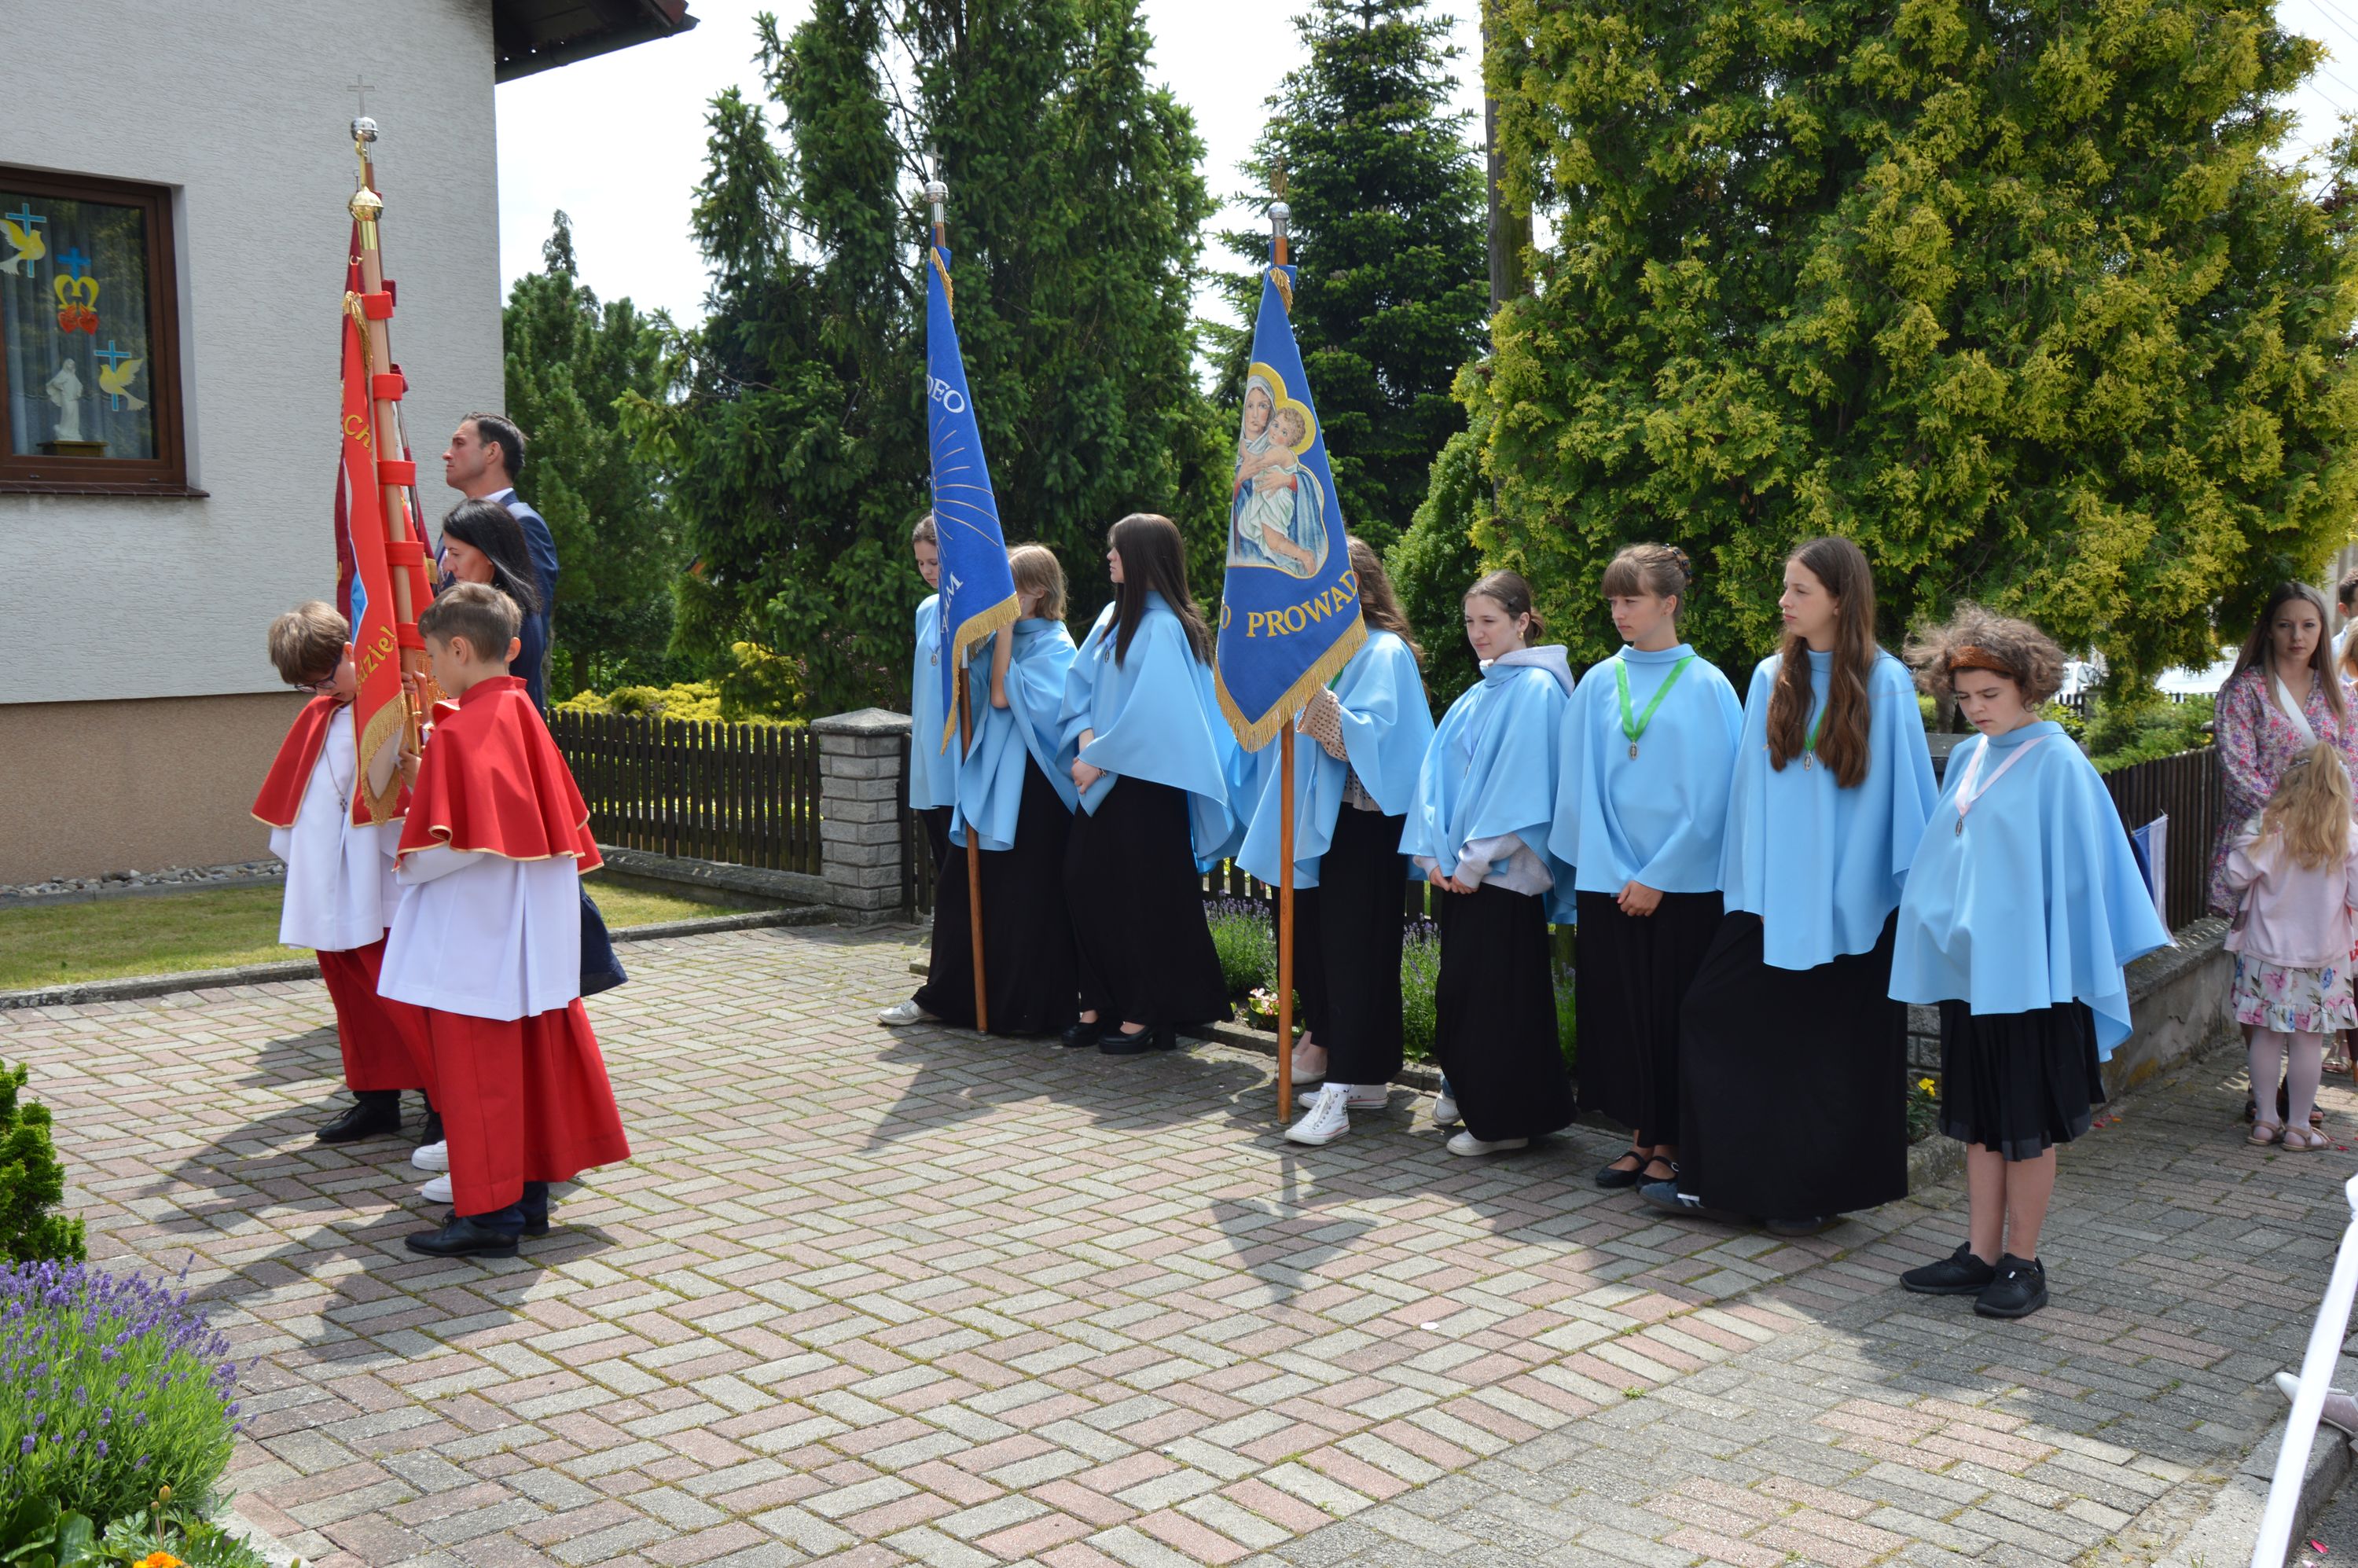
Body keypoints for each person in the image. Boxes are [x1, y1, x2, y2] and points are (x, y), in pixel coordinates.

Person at [1647, 537, 1937, 1233]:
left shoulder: (1885, 680)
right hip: (1770, 904)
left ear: (1840, 598)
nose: (1783, 601)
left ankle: (1805, 1199)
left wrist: (1871, 899)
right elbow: (1748, 792)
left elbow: (1903, 801)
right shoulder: (1769, 675)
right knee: (1716, 1015)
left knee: (1823, 1051)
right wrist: (1745, 892)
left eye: (1800, 589)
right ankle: (1722, 1183)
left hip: (1852, 909)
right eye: (1786, 587)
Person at [1889, 608, 2171, 1319]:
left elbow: (2082, 875)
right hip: (1974, 973)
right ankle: (1980, 1254)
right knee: (1981, 1121)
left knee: (2025, 1125)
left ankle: (2023, 1259)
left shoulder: (2059, 763)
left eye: (1991, 693)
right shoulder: (1970, 756)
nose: (1976, 708)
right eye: (1965, 696)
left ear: (2028, 684)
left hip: (2034, 980)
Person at [378, 584, 630, 1258]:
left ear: (460, 649)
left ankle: (489, 1216)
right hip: (530, 930)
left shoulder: (462, 729)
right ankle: (526, 1200)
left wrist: (404, 857)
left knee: (477, 1073)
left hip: (477, 933)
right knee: (525, 1066)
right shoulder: (522, 713)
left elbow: (448, 846)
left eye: (434, 656)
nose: (433, 669)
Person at [1548, 545, 1742, 1190]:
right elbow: (1579, 783)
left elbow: (1721, 793)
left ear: (1670, 603)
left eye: (1631, 599)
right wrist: (1614, 869)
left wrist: (1659, 875)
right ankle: (1638, 1136)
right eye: (1613, 600)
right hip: (1612, 880)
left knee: (1672, 1012)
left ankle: (1673, 1142)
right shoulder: (1600, 682)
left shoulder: (1708, 684)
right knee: (1623, 1012)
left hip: (1682, 886)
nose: (1619, 612)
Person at [1237, 540, 1436, 1147]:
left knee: (1355, 952)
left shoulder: (1383, 651)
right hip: (1332, 821)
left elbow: (1372, 743)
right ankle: (1367, 1076)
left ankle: (1341, 1090)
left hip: (1365, 823)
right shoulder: (1330, 648)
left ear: (1356, 587)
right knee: (1334, 949)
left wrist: (1312, 694)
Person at [1401, 570, 1577, 1157]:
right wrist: (1432, 857)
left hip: (1500, 879)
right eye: (1470, 621)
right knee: (1468, 996)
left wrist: (1471, 864)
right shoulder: (1483, 690)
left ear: (1522, 621)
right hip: (1463, 876)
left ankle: (1505, 1123)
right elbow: (1435, 777)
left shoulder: (1537, 690)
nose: (1477, 633)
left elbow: (1520, 788)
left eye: (1490, 621)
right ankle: (1479, 1098)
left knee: (1498, 1001)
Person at [883, 545, 1082, 1034]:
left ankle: (1024, 1010)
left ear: (1038, 591)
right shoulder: (997, 637)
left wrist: (1004, 632)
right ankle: (946, 998)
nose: (999, 597)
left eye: (1009, 589)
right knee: (959, 892)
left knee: (1026, 899)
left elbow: (1001, 696)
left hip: (1035, 793)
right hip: (992, 788)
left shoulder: (1057, 644)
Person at [1059, 513, 1237, 1056]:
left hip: (1147, 789)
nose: (1109, 557)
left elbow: (1155, 717)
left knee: (1141, 899)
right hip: (1101, 777)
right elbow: (1079, 686)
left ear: (1142, 557)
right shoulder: (1112, 616)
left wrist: (1097, 760)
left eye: (1117, 549)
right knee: (1083, 883)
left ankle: (1145, 1011)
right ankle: (1099, 1000)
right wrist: (1088, 744)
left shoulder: (1165, 627)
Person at [251, 601, 427, 1144]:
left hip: (379, 878)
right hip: (331, 877)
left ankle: (441, 1104)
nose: (320, 692)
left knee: (399, 996)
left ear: (353, 652)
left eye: (325, 678)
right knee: (351, 997)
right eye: (307, 686)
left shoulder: (397, 706)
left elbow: (410, 788)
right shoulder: (320, 712)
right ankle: (375, 1098)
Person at [2211, 582, 2358, 1119]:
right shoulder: (2244, 690)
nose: (2298, 635)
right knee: (2258, 973)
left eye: (2309, 625)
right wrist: (2288, 820)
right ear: (2268, 629)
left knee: (2316, 969)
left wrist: (2333, 823)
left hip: (2324, 847)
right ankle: (2263, 1095)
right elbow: (2237, 768)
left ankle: (2298, 1098)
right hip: (2264, 841)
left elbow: (2353, 766)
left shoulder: (2339, 693)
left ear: (2323, 629)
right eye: (2285, 624)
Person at [2221, 743, 2358, 1151]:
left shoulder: (2268, 826)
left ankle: (2265, 1121)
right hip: (2322, 957)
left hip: (2265, 952)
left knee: (2265, 1034)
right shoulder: (2346, 833)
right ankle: (2299, 1127)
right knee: (2307, 1041)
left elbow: (2234, 877)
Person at [437, 498, 545, 710]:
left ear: (489, 553)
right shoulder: (511, 608)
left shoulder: (503, 616)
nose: (448, 566)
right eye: (448, 554)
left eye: (456, 554)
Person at [906, 513, 956, 872]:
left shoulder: (976, 612)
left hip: (956, 753)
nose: (927, 571)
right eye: (921, 563)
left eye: (934, 562)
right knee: (940, 854)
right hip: (926, 746)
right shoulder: (926, 610)